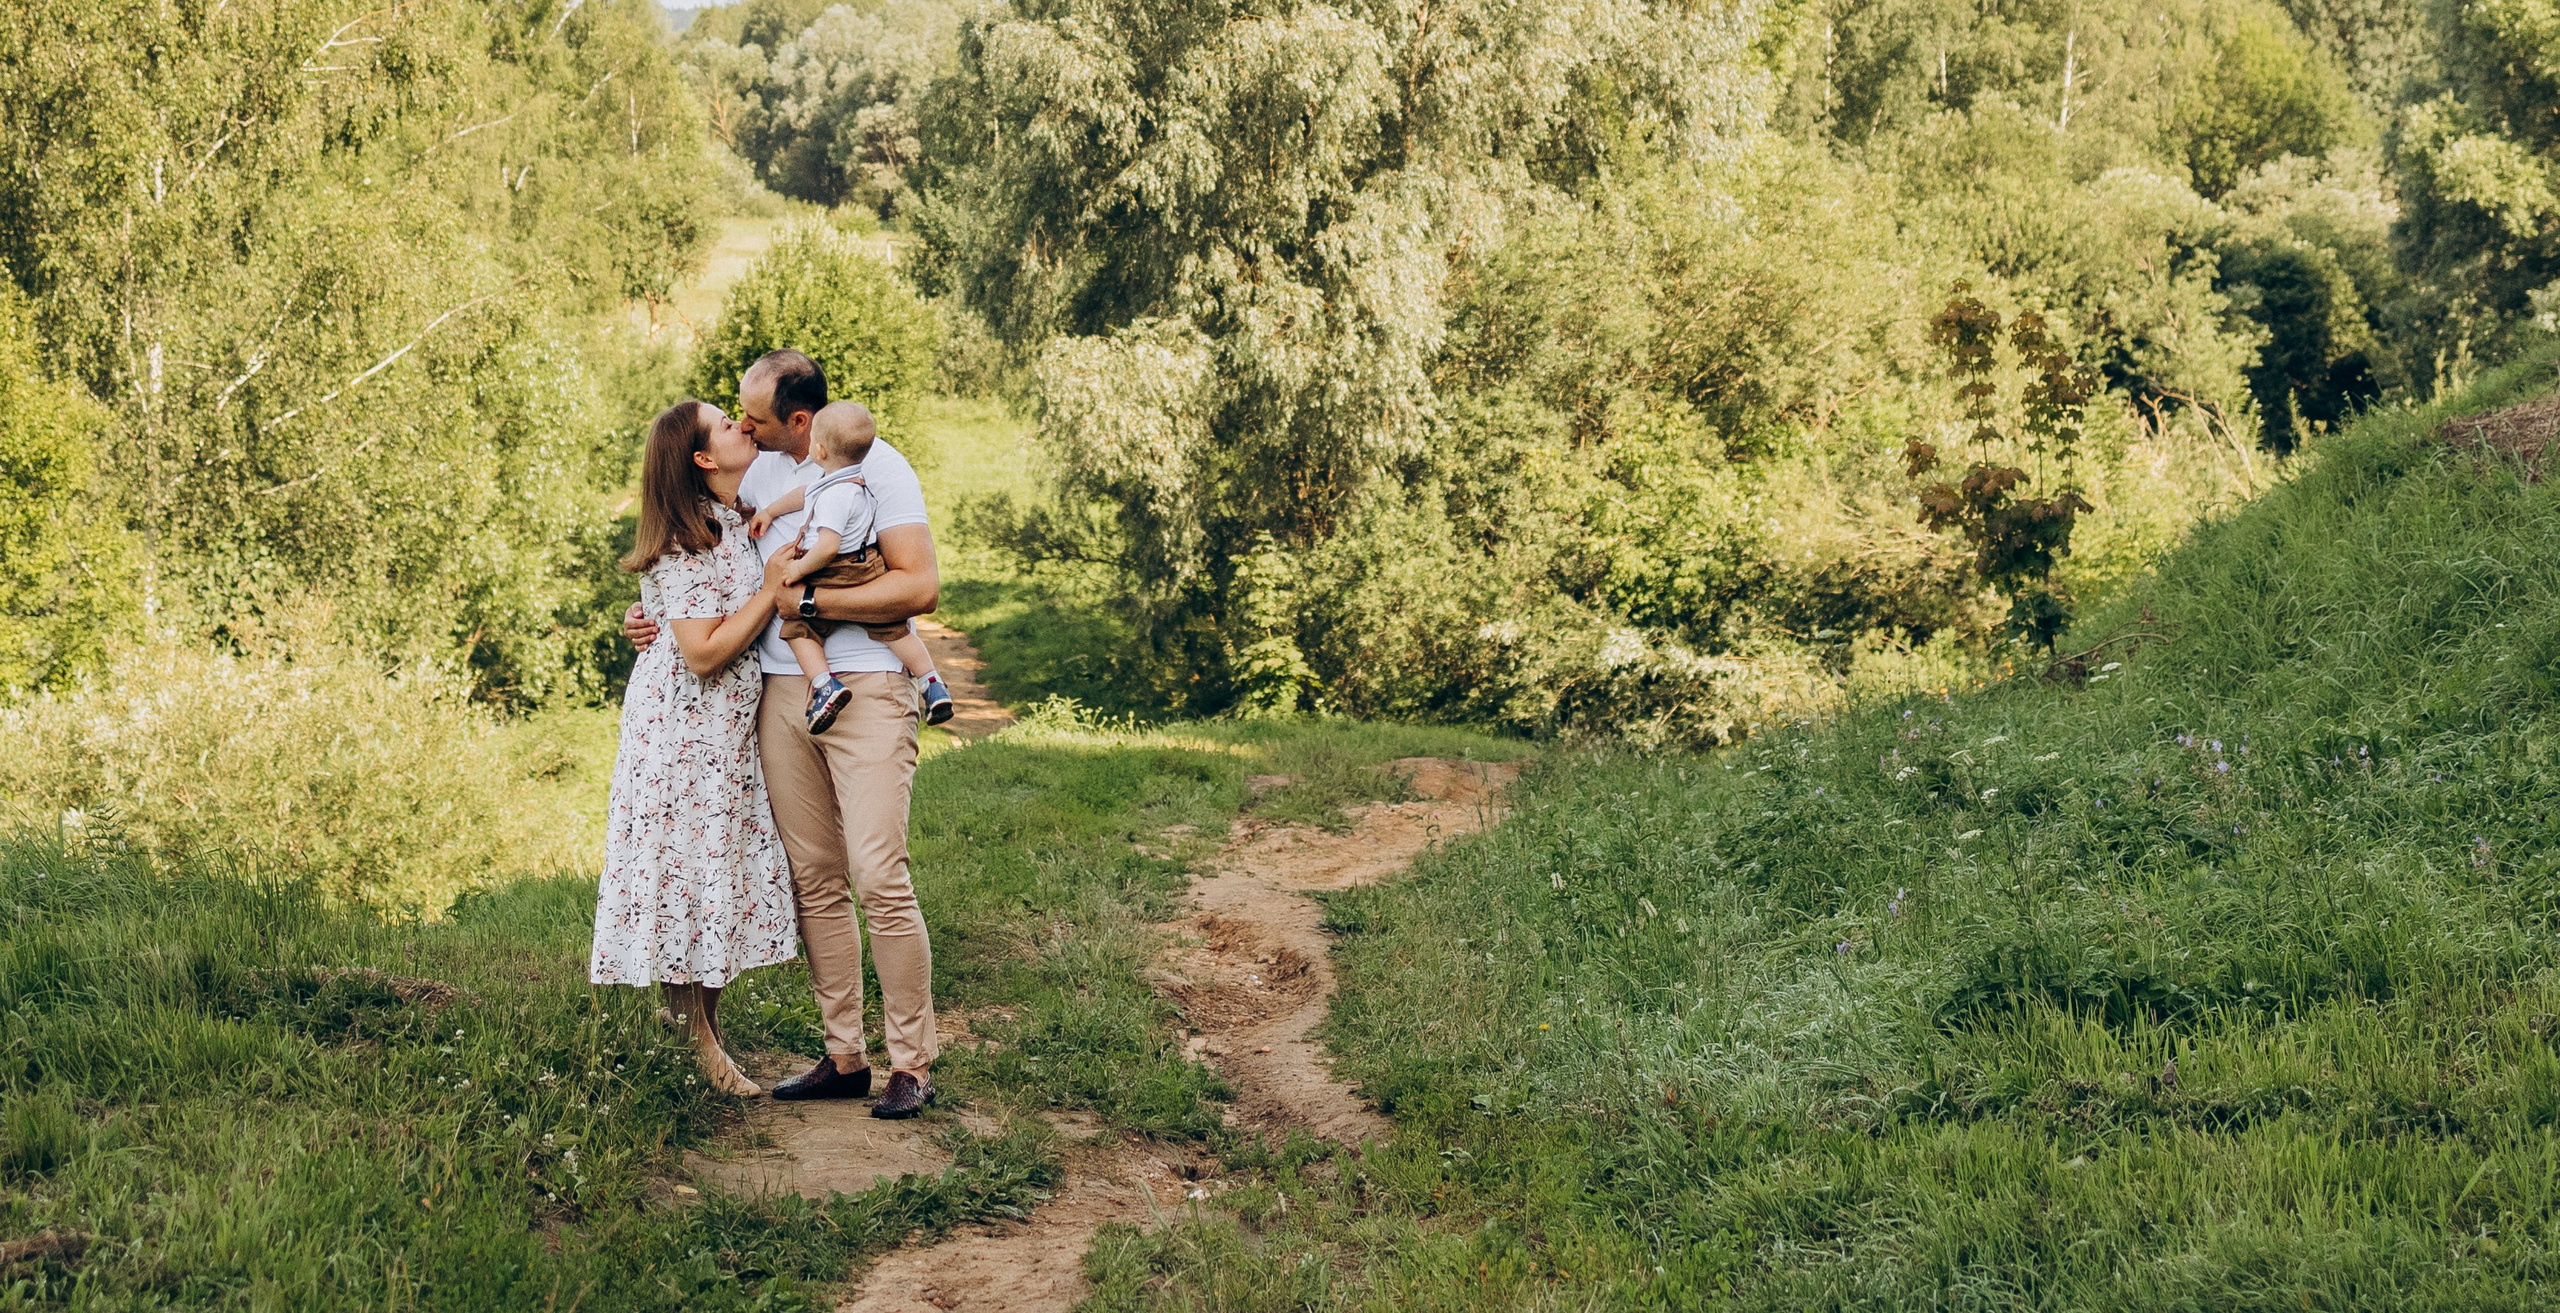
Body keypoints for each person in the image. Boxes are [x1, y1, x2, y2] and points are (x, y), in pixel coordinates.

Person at [625, 350, 942, 1119]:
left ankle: (912, 1060)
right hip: (779, 693)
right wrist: (648, 621)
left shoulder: (877, 465)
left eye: (754, 417)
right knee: (816, 878)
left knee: (878, 873)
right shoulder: (755, 473)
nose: (743, 426)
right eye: (735, 418)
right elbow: (692, 567)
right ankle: (844, 1055)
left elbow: (921, 584)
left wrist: (810, 601)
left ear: (797, 421)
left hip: (865, 685)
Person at [590, 399, 801, 1099]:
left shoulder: (734, 517)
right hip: (683, 737)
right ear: (702, 459)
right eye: (726, 424)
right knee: (689, 873)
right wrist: (772, 592)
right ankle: (700, 1044)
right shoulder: (685, 545)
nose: (744, 424)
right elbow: (705, 652)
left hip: (725, 736)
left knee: (717, 877)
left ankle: (700, 1033)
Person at [747, 400, 955, 733]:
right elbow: (803, 494)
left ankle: (824, 684)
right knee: (893, 629)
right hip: (867, 563)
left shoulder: (835, 496)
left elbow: (827, 547)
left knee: (797, 629)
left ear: (820, 449)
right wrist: (771, 511)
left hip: (836, 569)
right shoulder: (846, 479)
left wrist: (798, 574)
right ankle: (931, 681)